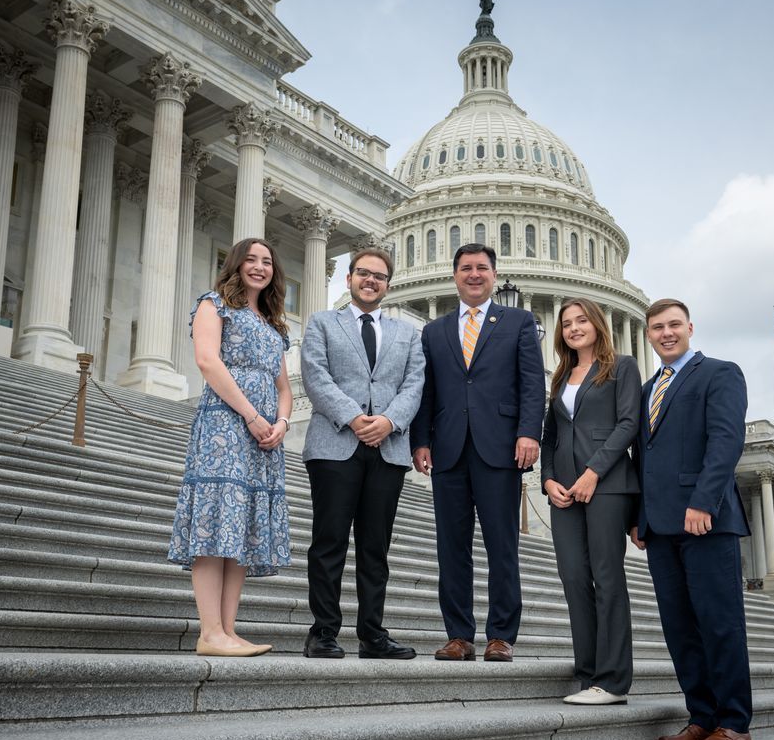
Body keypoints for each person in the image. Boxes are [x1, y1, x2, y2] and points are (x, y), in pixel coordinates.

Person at [411, 243, 545, 662]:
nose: (474, 274)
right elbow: (426, 391)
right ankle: (459, 635)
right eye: (466, 268)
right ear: (455, 275)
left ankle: (501, 635)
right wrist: (420, 440)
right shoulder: (434, 331)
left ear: (493, 274)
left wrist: (529, 433)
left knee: (502, 544)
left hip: (500, 447)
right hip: (448, 449)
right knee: (451, 546)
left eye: (482, 268)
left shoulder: (519, 322)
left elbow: (531, 383)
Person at [631, 298, 754, 740]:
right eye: (658, 327)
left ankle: (735, 723)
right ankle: (701, 718)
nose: (666, 333)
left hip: (706, 521)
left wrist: (704, 501)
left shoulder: (721, 373)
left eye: (674, 325)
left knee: (719, 623)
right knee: (680, 627)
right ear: (648, 334)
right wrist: (640, 519)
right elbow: (642, 459)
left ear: (690, 328)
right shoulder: (647, 389)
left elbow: (726, 441)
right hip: (661, 527)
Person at [168, 237, 292, 657]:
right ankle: (209, 631)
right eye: (252, 260)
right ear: (236, 264)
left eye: (267, 261)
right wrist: (252, 416)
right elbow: (207, 361)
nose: (260, 267)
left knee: (241, 525)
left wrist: (282, 422)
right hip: (224, 426)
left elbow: (284, 387)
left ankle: (227, 630)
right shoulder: (214, 303)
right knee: (216, 518)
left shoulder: (274, 324)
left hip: (264, 439)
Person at [300, 247, 425, 659]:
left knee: (376, 547)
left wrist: (389, 421)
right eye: (363, 273)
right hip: (335, 445)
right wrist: (355, 418)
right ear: (350, 278)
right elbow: (316, 377)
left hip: (387, 450)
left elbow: (414, 385)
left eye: (380, 276)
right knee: (329, 541)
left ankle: (372, 634)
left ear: (388, 285)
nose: (371, 281)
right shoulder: (321, 323)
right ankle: (323, 631)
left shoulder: (408, 334)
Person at [541, 298, 641, 705]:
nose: (574, 328)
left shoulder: (623, 366)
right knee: (574, 578)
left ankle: (613, 680)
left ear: (599, 324)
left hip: (607, 484)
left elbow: (629, 423)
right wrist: (547, 478)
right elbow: (551, 435)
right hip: (563, 490)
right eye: (567, 323)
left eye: (582, 320)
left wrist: (593, 472)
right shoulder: (562, 375)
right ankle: (588, 675)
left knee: (607, 577)